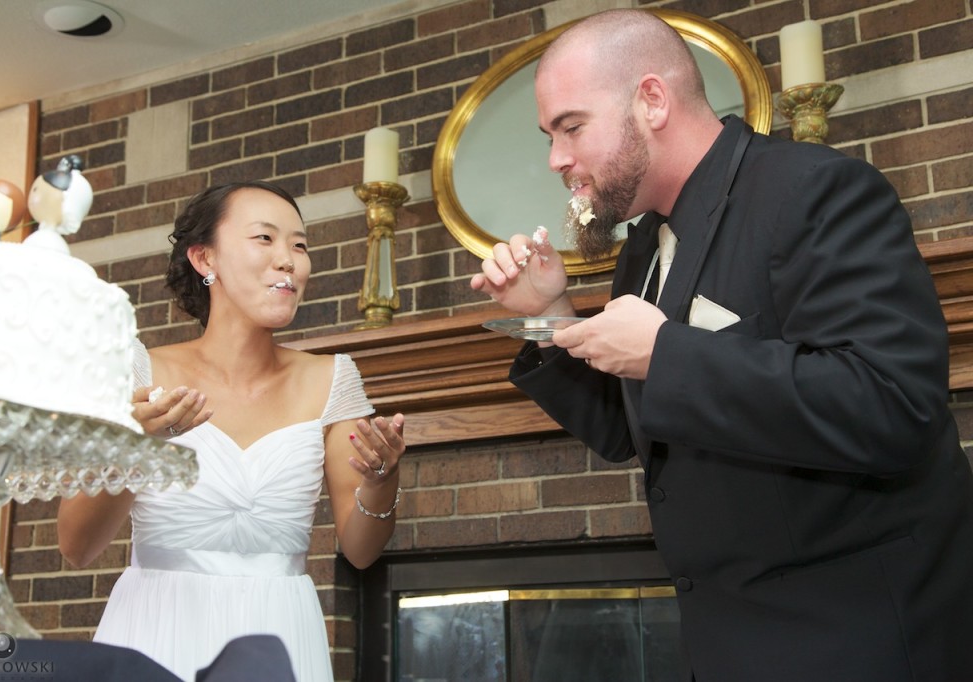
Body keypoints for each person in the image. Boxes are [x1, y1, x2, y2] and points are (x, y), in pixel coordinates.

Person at [471, 9, 973, 682]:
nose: (557, 158)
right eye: (550, 135)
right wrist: (551, 314)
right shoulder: (643, 250)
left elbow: (893, 405)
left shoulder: (813, 190)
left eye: (571, 127)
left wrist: (666, 354)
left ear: (651, 100)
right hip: (728, 643)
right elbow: (636, 430)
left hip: (858, 641)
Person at [57, 180, 406, 682]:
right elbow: (76, 546)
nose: (289, 259)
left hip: (281, 635)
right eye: (265, 238)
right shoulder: (135, 371)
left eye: (300, 245)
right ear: (205, 259)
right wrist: (135, 448)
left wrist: (382, 480)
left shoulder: (332, 379)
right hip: (156, 631)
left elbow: (362, 549)